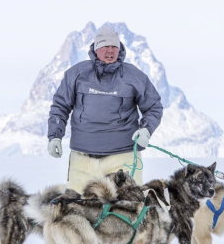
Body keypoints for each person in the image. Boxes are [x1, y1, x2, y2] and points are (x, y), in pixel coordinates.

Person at [47, 25, 163, 193]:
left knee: (129, 210)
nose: (110, 51)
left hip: (123, 158)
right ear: (96, 49)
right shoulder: (76, 74)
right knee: (78, 210)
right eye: (105, 46)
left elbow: (153, 107)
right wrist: (54, 136)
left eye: (114, 46)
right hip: (83, 160)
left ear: (120, 49)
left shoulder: (134, 76)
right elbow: (60, 105)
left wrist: (146, 130)